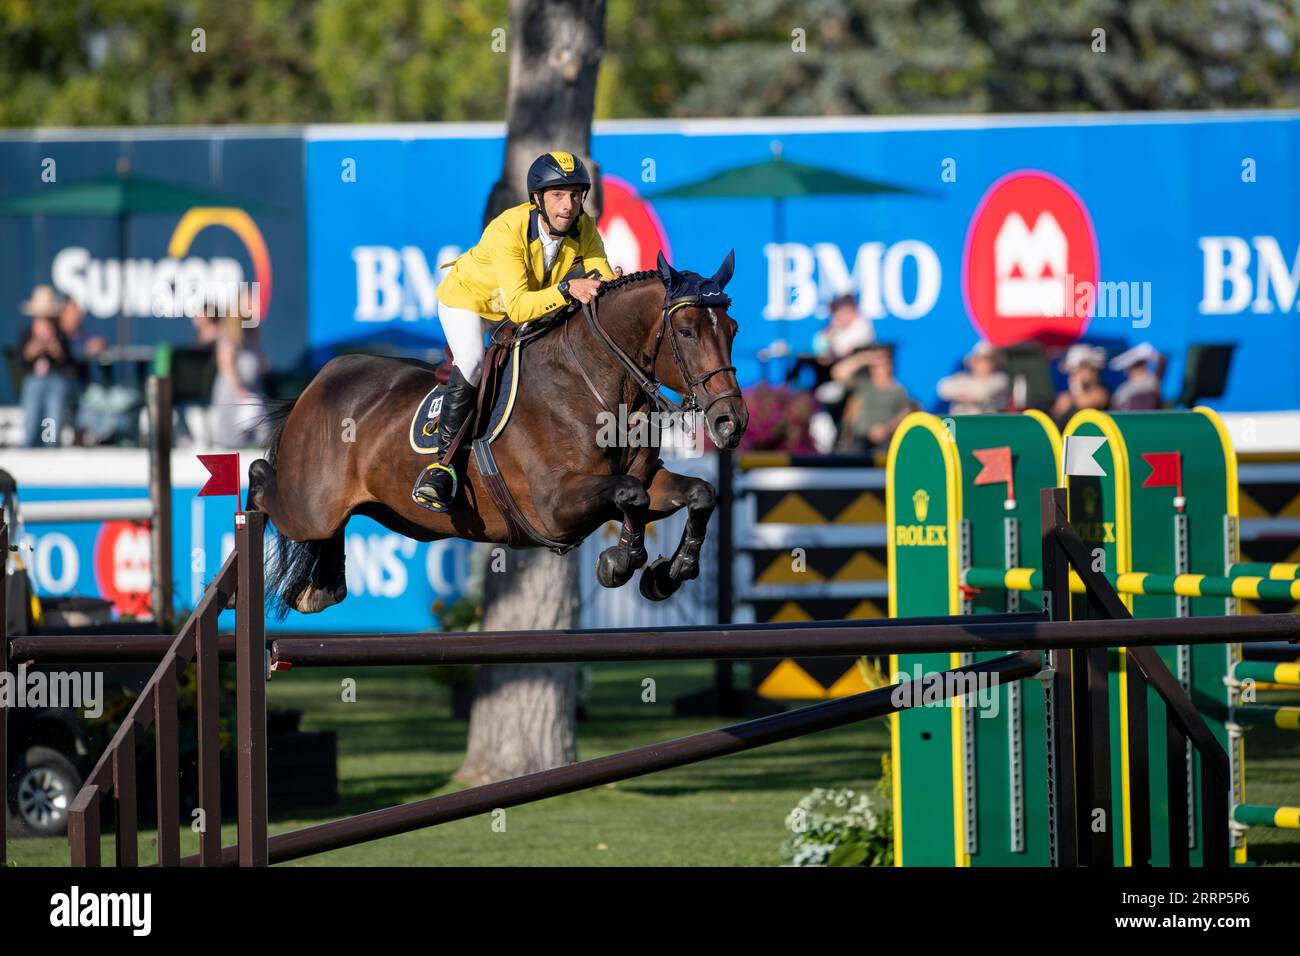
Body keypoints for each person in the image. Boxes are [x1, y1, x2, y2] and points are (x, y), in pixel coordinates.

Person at [414, 150, 617, 511]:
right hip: (468, 302)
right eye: (557, 195)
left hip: (519, 305)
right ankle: (441, 467)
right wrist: (569, 289)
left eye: (574, 194)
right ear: (537, 199)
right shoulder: (508, 229)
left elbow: (604, 276)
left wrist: (611, 285)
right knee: (474, 362)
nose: (568, 205)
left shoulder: (584, 228)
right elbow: (520, 307)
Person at [197, 306, 267, 448]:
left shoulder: (251, 334)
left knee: (261, 435)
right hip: (233, 395)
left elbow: (262, 363)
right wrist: (239, 391)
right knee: (232, 442)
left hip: (251, 392)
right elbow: (226, 365)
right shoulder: (228, 335)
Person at [17, 284, 75, 447]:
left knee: (51, 420)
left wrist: (53, 347)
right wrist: (35, 347)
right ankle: (29, 447)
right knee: (32, 419)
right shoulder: (27, 333)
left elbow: (66, 359)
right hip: (34, 380)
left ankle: (50, 450)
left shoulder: (60, 333)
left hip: (55, 380)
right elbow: (22, 358)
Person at [834, 345, 917, 454]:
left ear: (890, 366)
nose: (879, 368)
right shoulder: (863, 384)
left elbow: (904, 414)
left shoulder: (899, 390)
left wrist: (885, 429)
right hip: (860, 439)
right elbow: (838, 373)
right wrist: (865, 357)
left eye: (884, 363)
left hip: (886, 441)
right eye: (875, 365)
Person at [936, 341, 1009, 415]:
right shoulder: (962, 377)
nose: (982, 363)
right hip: (959, 422)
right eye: (978, 359)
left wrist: (961, 394)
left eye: (987, 360)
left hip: (985, 423)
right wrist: (965, 395)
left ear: (995, 362)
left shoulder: (1000, 379)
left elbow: (983, 393)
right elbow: (942, 389)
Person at [1051, 343, 1110, 425]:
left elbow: (1084, 404)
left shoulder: (1102, 393)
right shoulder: (1066, 397)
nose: (1074, 374)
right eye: (1072, 371)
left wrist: (1076, 387)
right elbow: (1055, 415)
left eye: (1080, 368)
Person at [1109, 342, 1163, 412]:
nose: (1138, 369)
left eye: (1140, 364)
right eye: (1134, 366)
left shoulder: (1150, 384)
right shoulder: (1123, 389)